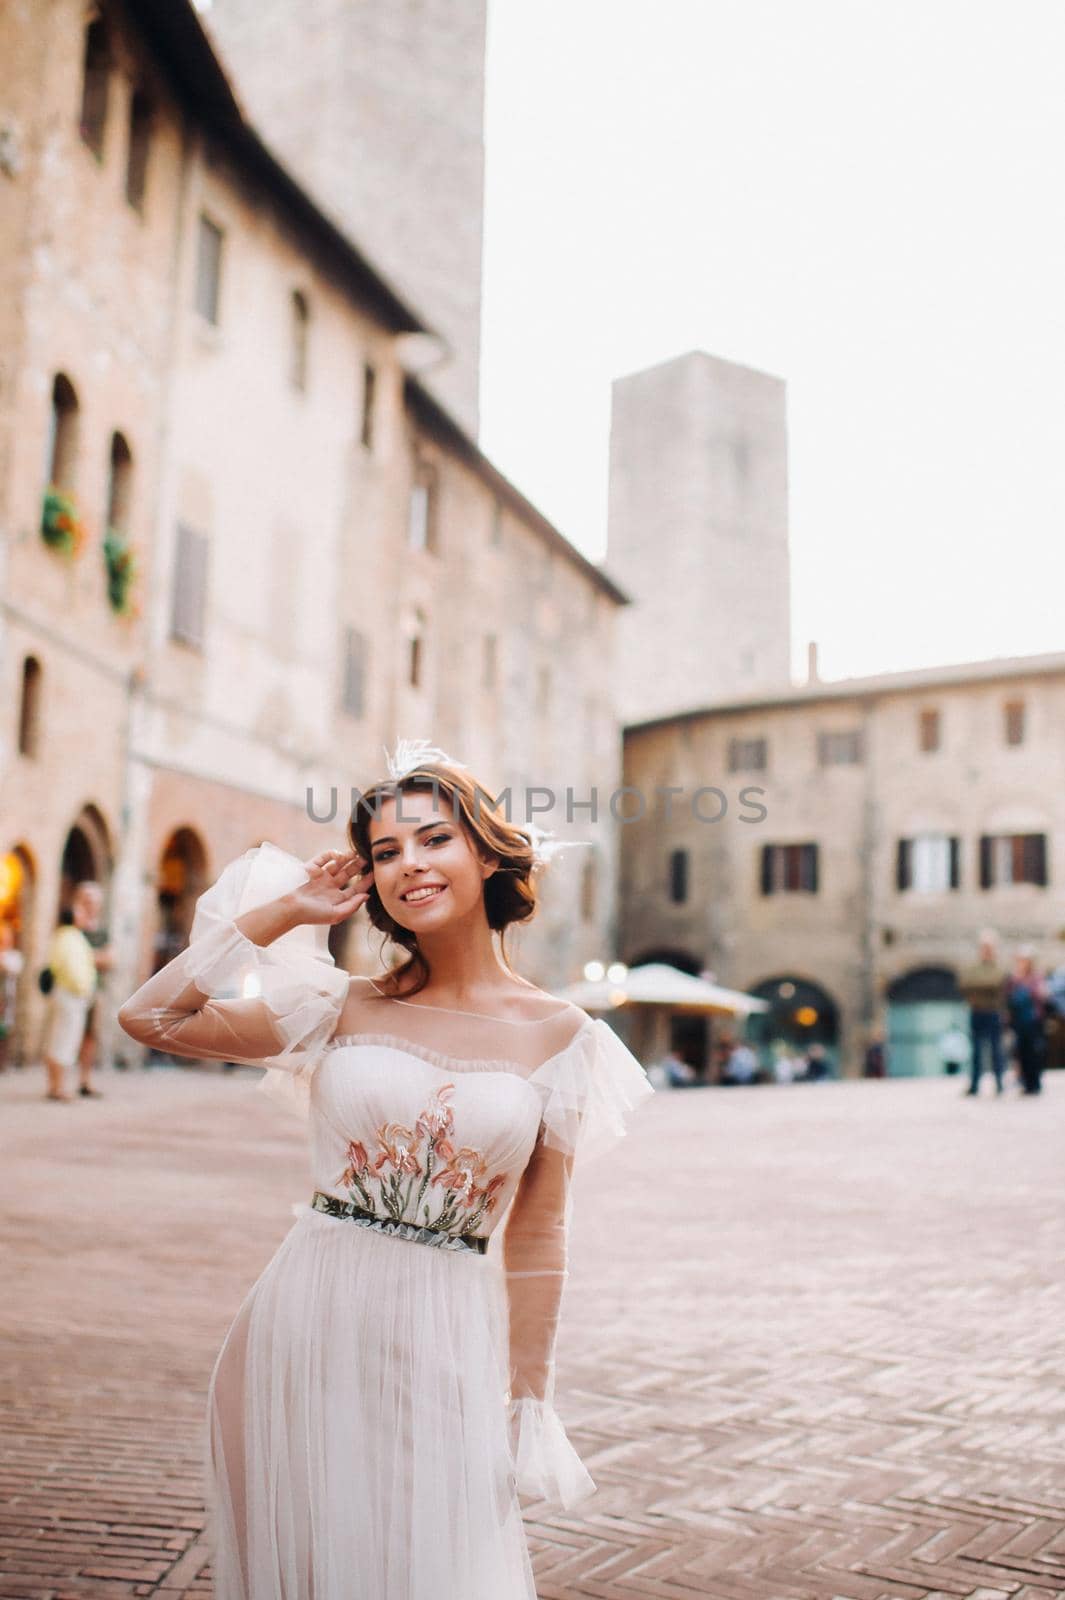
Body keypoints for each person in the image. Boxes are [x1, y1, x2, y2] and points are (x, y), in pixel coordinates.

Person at [119, 746, 655, 1600]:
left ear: (485, 853)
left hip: (442, 1344)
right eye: (385, 852)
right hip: (294, 1333)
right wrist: (284, 914)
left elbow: (540, 1233)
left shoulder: (564, 1038)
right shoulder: (337, 1007)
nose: (409, 864)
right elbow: (149, 1015)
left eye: (433, 839)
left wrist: (529, 1402)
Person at [42, 881, 103, 1101]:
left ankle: (55, 1085)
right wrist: (83, 989)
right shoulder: (70, 938)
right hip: (72, 996)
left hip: (70, 995)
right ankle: (57, 1087)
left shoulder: (66, 936)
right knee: (65, 1041)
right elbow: (73, 969)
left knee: (60, 1039)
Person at [958, 930, 1008, 1096]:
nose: (986, 950)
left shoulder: (999, 968)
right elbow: (966, 984)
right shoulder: (973, 968)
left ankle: (999, 1083)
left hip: (993, 1012)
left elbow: (997, 983)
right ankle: (974, 1084)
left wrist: (980, 987)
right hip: (977, 1012)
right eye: (984, 947)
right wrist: (986, 988)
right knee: (976, 1051)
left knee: (996, 1050)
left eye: (989, 947)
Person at [1006, 946, 1047, 1096]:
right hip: (1019, 1020)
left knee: (1033, 1052)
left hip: (1033, 1019)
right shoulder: (1014, 978)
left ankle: (1034, 1082)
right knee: (1021, 1052)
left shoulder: (1036, 977)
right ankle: (1025, 1081)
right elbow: (1009, 998)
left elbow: (1042, 995)